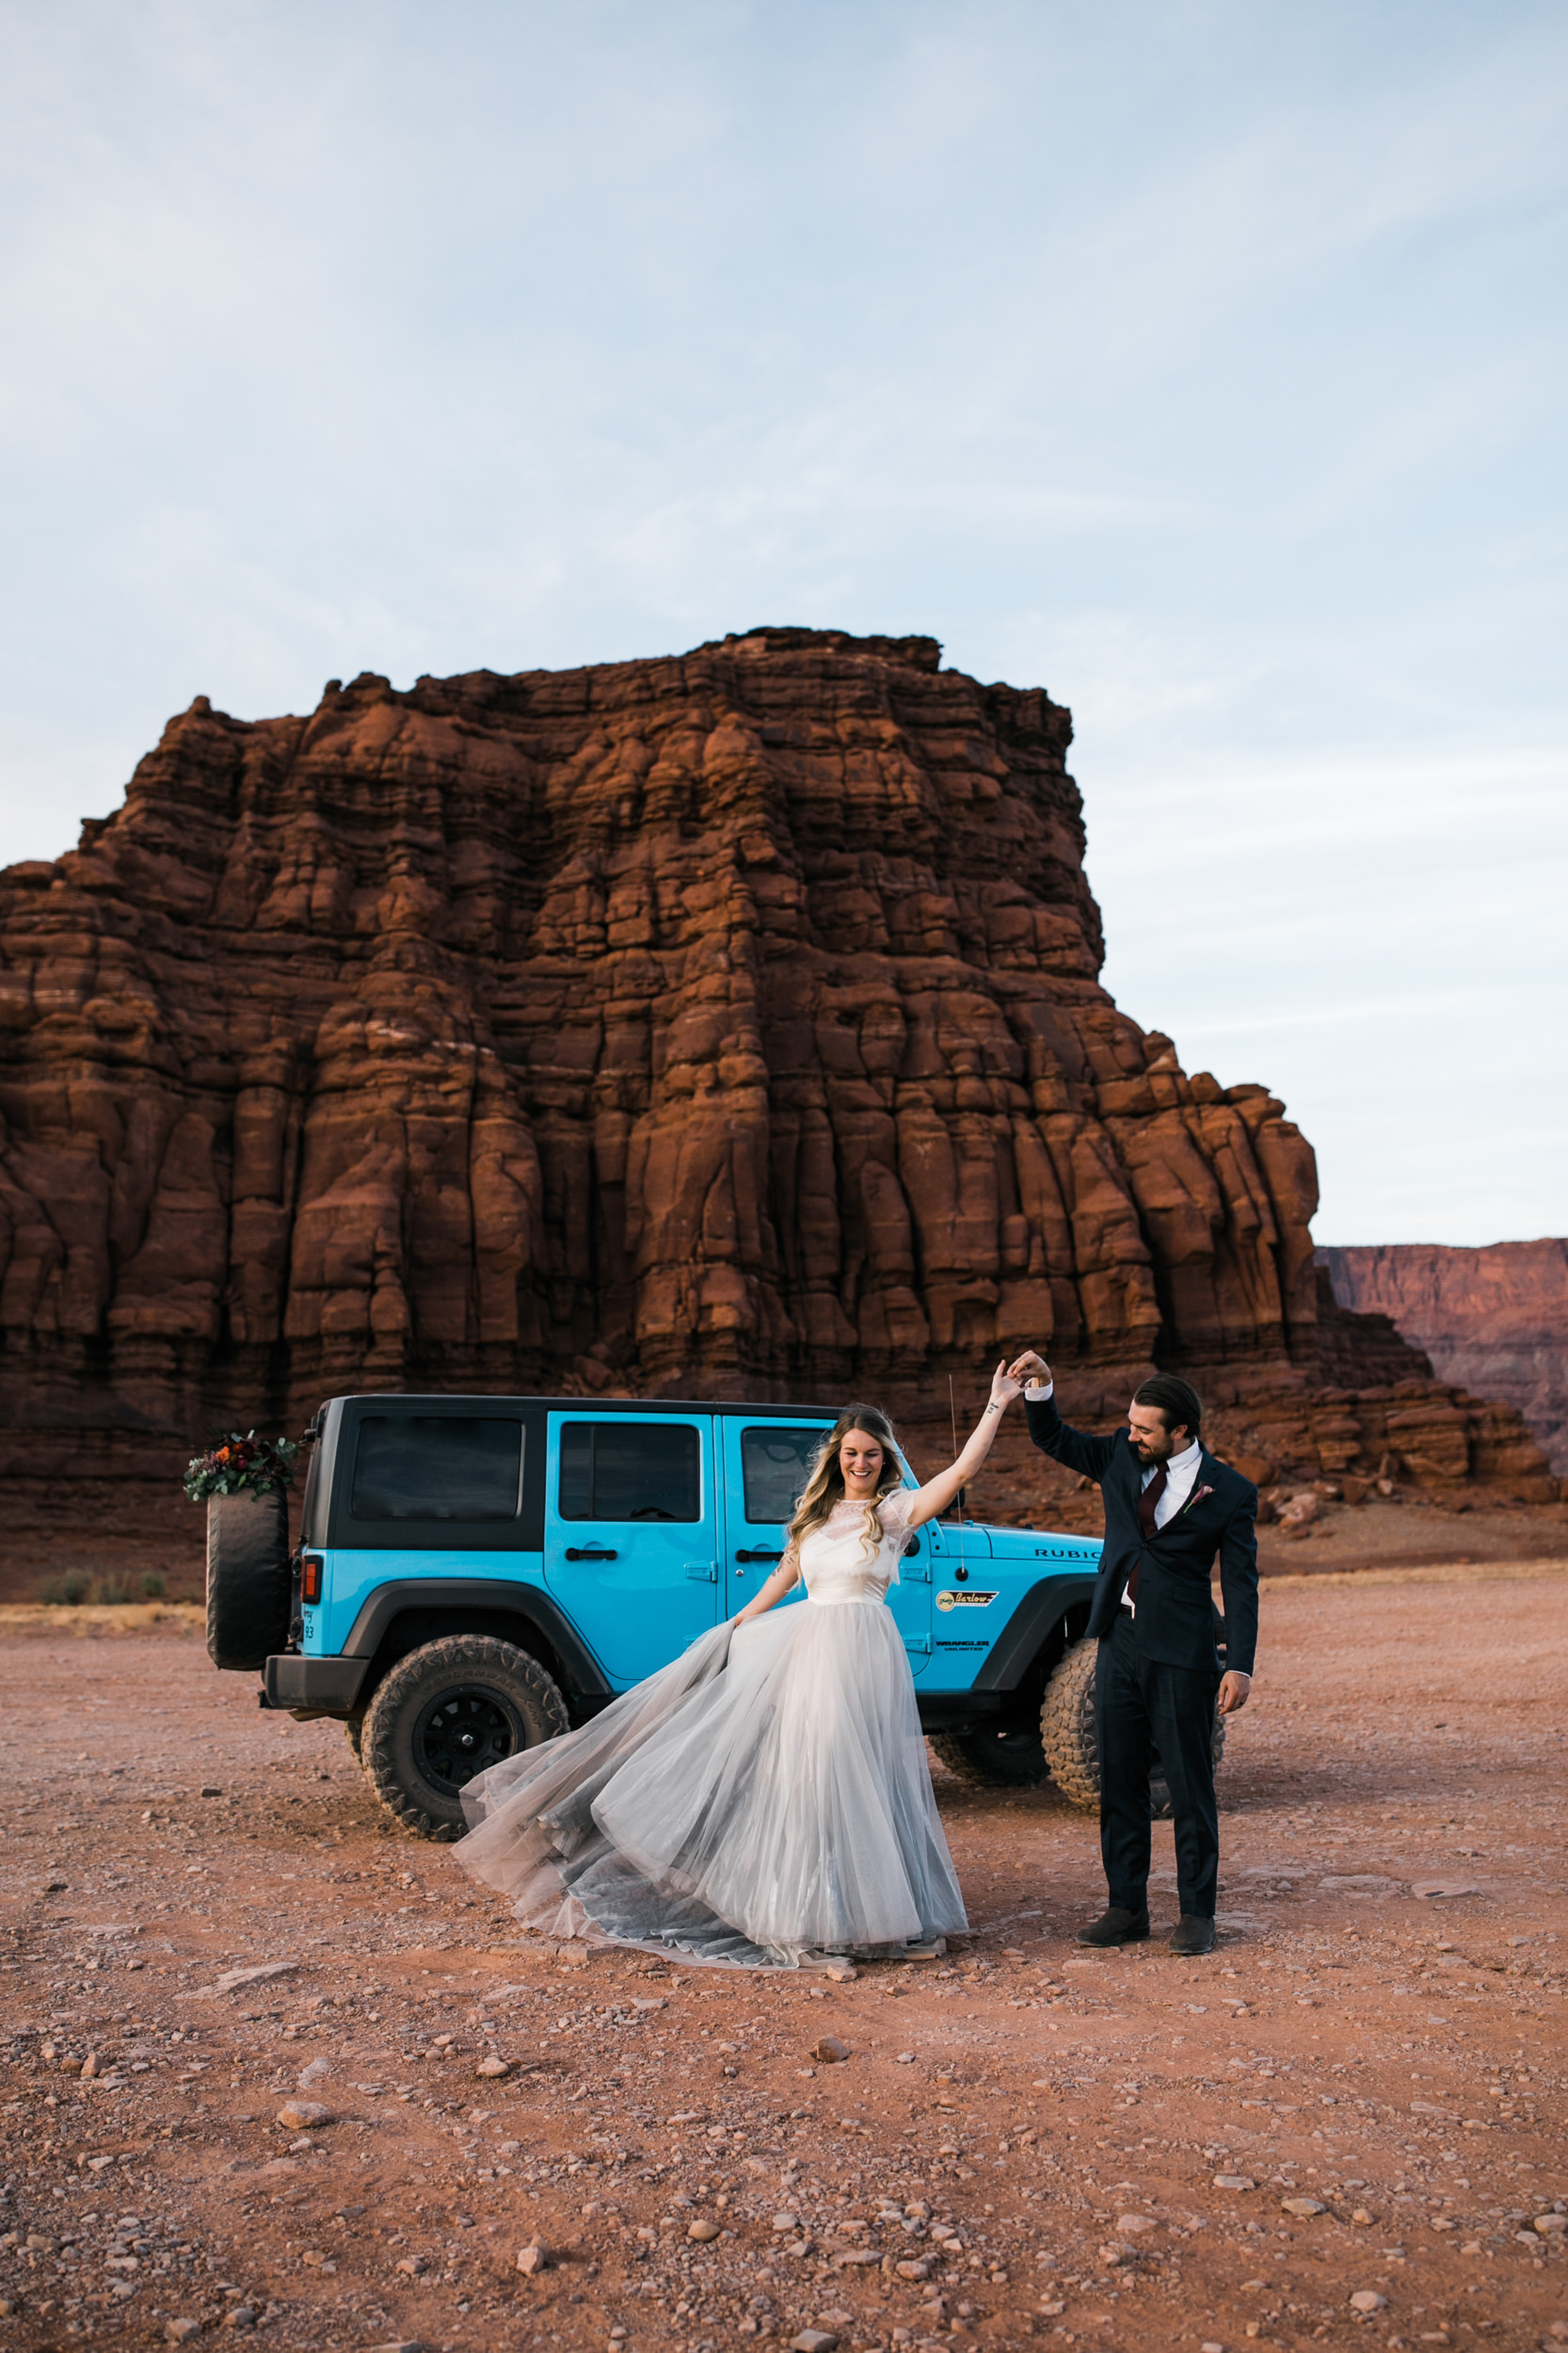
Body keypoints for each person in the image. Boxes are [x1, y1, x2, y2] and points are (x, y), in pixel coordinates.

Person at [452, 1366, 1025, 1968]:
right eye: (852, 1453)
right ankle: (806, 1911)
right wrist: (741, 1621)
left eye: (873, 1454)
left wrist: (996, 1404)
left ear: (885, 1459)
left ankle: (870, 1915)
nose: (862, 1463)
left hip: (863, 1651)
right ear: (837, 1456)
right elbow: (787, 1573)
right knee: (809, 1779)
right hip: (810, 1651)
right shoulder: (815, 1513)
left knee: (862, 1781)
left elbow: (960, 1472)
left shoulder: (896, 1512)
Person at [1008, 1351, 1257, 1957]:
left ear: (1182, 1433)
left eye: (1145, 1428)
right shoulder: (1119, 1455)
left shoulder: (1229, 1492)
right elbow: (1054, 1439)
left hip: (1185, 1652)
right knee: (1119, 1780)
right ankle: (1126, 1908)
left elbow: (1242, 1584)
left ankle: (1197, 1915)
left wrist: (1240, 1663)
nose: (1132, 1434)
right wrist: (1041, 1389)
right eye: (1130, 1422)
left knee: (1189, 1784)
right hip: (1117, 1642)